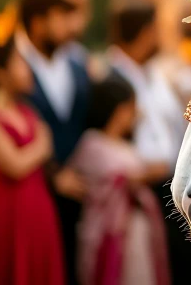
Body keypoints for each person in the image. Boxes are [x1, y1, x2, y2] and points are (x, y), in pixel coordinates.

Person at [105, 0, 191, 284]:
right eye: (157, 28)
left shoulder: (154, 72)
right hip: (143, 194)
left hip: (175, 187)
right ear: (146, 32)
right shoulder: (110, 80)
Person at [0, 26, 65, 285]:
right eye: (18, 62)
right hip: (8, 216)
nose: (27, 69)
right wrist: (40, 145)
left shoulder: (28, 112)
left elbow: (42, 150)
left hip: (39, 210)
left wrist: (37, 148)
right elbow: (14, 165)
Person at [17, 0, 92, 285]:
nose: (70, 26)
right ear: (37, 23)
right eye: (60, 18)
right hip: (33, 193)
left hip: (81, 192)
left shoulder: (77, 66)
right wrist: (53, 175)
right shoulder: (13, 68)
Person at [69, 75, 170, 285]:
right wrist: (138, 177)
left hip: (135, 235)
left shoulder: (127, 147)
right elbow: (116, 180)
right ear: (118, 110)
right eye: (132, 108)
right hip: (105, 234)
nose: (137, 114)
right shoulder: (92, 143)